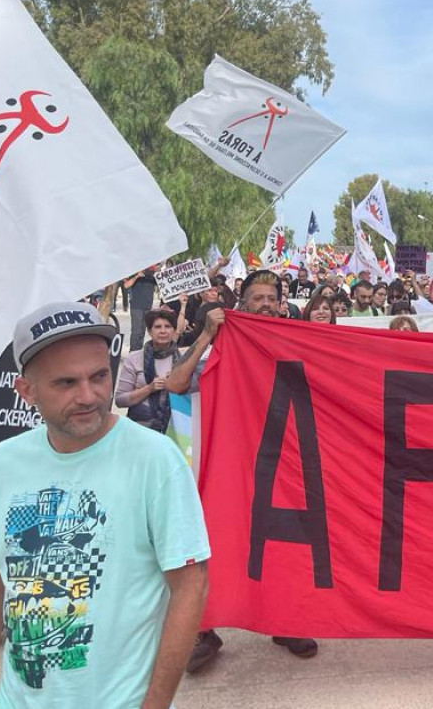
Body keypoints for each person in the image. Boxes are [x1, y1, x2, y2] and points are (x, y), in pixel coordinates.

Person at [0, 303, 209, 708]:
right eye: (66, 383)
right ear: (26, 390)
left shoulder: (155, 459)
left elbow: (190, 584)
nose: (89, 396)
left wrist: (155, 704)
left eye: (99, 376)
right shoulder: (0, 467)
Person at [164, 271, 319, 671]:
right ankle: (204, 628)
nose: (265, 304)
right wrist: (205, 338)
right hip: (224, 461)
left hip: (280, 464)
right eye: (257, 298)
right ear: (241, 304)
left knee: (285, 543)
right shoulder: (222, 343)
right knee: (215, 540)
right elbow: (177, 384)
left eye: (272, 298)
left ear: (281, 304)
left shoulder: (295, 343)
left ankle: (283, 621)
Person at [115, 309, 194, 433]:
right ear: (149, 331)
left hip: (176, 430)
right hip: (140, 430)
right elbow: (120, 400)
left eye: (167, 327)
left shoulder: (185, 360)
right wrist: (149, 389)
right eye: (157, 327)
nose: (163, 331)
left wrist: (178, 381)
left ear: (174, 330)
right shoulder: (134, 359)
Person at [123, 266, 157, 351]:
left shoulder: (152, 274)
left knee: (142, 332)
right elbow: (126, 285)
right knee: (136, 332)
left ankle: (138, 352)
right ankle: (133, 352)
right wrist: (137, 276)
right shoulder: (134, 271)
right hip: (136, 306)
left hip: (148, 306)